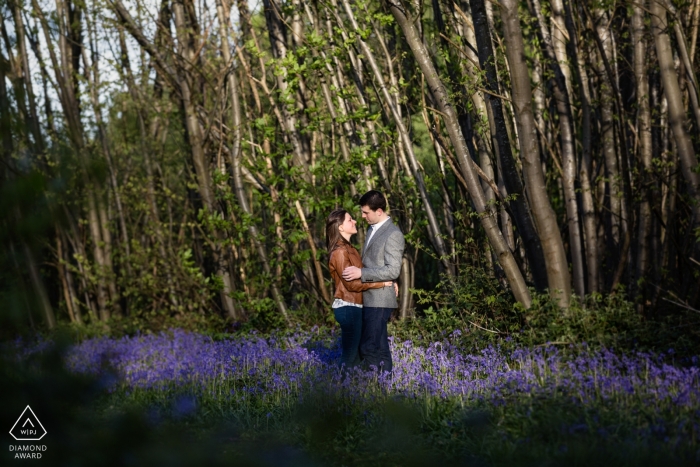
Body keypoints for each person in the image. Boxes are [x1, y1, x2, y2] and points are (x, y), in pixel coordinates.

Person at [342, 190, 405, 373]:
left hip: (380, 300)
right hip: (370, 296)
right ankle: (384, 388)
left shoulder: (393, 234)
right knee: (380, 347)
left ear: (379, 211)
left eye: (366, 212)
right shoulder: (372, 228)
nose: (362, 216)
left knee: (368, 347)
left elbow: (393, 269)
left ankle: (374, 388)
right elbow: (379, 265)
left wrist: (361, 273)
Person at [326, 208, 394, 368]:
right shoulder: (340, 252)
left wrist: (387, 279)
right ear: (340, 227)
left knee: (357, 357)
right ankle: (336, 390)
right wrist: (382, 283)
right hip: (348, 307)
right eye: (350, 219)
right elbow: (352, 284)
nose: (355, 221)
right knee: (350, 356)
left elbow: (364, 274)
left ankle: (352, 390)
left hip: (356, 306)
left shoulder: (350, 249)